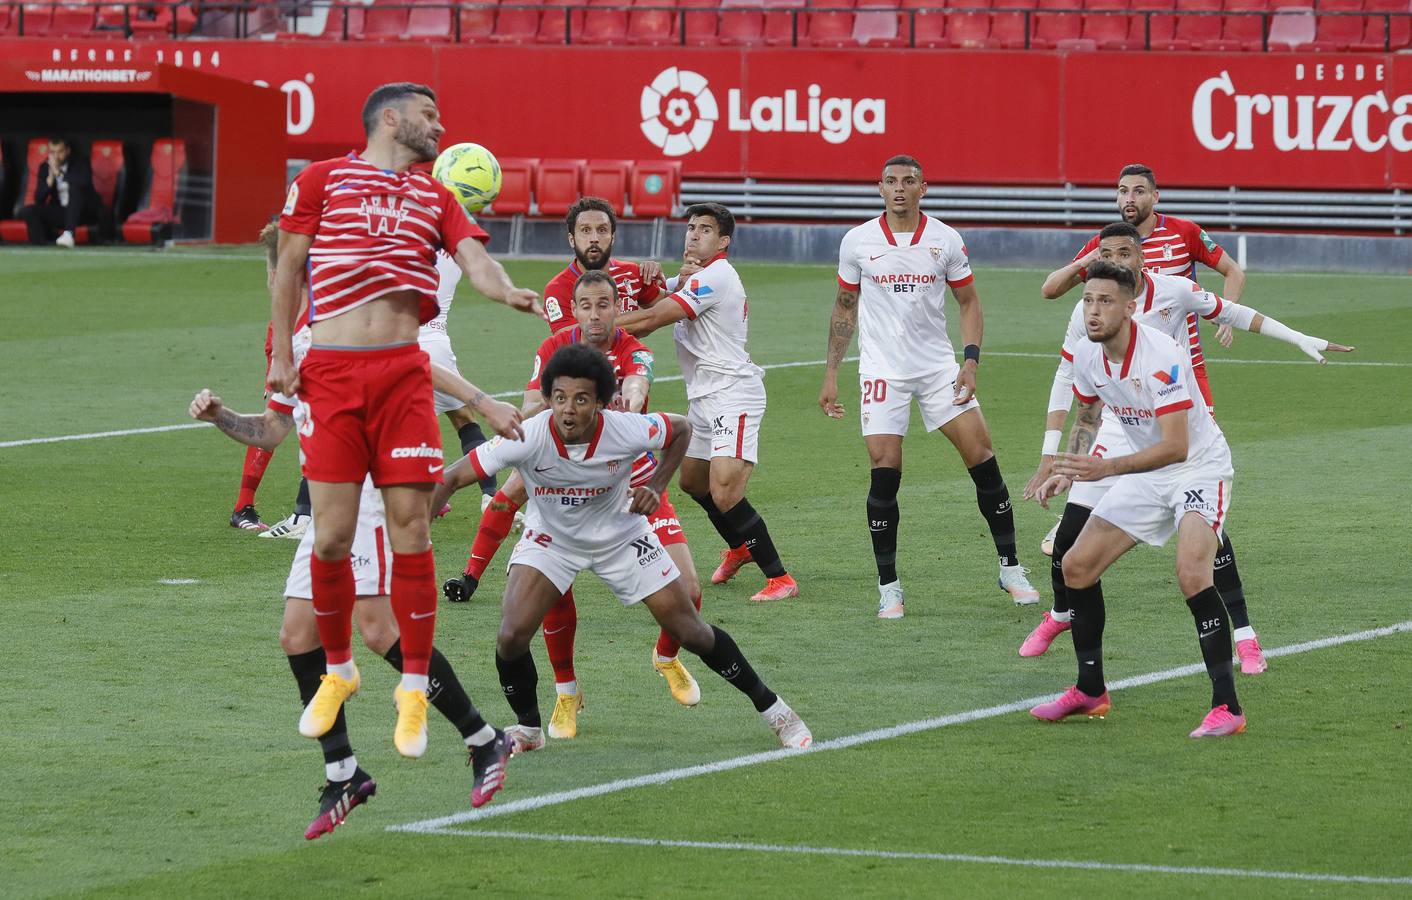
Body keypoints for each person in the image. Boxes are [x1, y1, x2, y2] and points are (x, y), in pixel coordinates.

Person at [268, 81, 542, 759]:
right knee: (328, 534)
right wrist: (280, 353)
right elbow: (288, 266)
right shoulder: (324, 180)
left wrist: (502, 289)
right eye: (428, 115)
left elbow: (474, 256)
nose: (439, 126)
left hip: (399, 373)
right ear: (390, 118)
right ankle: (339, 673)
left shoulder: (435, 195)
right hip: (331, 373)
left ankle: (414, 688)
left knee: (413, 527)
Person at [187, 351, 524, 836]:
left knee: (377, 629)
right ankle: (343, 772)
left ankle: (482, 737)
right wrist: (220, 416)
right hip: (329, 507)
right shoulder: (296, 345)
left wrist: (483, 403)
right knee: (297, 636)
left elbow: (417, 360)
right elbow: (271, 429)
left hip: (369, 497)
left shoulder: (348, 318)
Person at [1028, 262, 1350, 737]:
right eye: (1088, 301)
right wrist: (1069, 467)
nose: (1093, 311)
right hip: (1146, 469)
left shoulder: (1161, 353)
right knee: (1075, 566)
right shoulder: (1085, 354)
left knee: (1192, 572)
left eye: (1105, 302)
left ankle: (1228, 707)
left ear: (1130, 308)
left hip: (1198, 467)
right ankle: (1090, 691)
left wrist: (1106, 469)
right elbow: (1089, 415)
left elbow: (1176, 446)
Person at [466, 343, 812, 750]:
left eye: (581, 399)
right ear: (547, 400)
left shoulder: (625, 428)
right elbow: (455, 476)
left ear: (601, 403)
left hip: (621, 535)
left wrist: (658, 483)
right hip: (553, 540)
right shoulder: (528, 435)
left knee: (691, 631)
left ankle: (776, 710)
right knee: (510, 636)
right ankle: (528, 729)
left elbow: (681, 428)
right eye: (559, 398)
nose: (568, 409)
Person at [443, 270, 703, 745]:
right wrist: (540, 434)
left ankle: (666, 656)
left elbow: (637, 391)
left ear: (616, 306)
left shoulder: (634, 349)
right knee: (520, 505)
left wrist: (622, 405)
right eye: (587, 305)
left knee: (689, 590)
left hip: (630, 477)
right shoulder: (555, 349)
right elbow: (530, 403)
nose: (596, 314)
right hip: (562, 460)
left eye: (605, 305)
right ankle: (566, 689)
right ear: (574, 307)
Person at [819, 155, 1040, 618]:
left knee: (982, 458)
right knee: (885, 468)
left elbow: (968, 301)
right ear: (879, 187)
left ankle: (1011, 567)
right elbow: (844, 308)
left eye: (909, 181)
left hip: (938, 368)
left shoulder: (945, 239)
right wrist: (832, 374)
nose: (900, 188)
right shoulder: (858, 241)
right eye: (891, 181)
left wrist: (971, 361)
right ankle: (890, 587)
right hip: (881, 371)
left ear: (924, 188)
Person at [441, 196, 665, 578]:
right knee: (514, 488)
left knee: (667, 542)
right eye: (585, 231)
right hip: (564, 418)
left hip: (618, 428)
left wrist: (673, 276)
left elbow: (666, 305)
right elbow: (583, 338)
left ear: (613, 234)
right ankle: (470, 576)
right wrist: (645, 317)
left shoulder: (631, 276)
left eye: (602, 230)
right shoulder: (558, 289)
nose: (594, 238)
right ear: (570, 238)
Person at [1037, 163, 1248, 556]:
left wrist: (1228, 314)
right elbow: (1050, 289)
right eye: (1122, 192)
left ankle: (1206, 544)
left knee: (1193, 465)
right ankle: (1084, 514)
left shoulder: (1184, 233)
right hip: (1126, 380)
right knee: (1118, 449)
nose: (1128, 199)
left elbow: (1232, 271)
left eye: (1137, 191)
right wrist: (1089, 260)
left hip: (1182, 375)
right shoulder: (1110, 245)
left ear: (1155, 196)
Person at [617, 203, 799, 603]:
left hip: (734, 393)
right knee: (693, 481)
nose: (694, 235)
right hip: (703, 396)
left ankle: (780, 578)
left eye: (705, 230)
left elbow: (649, 321)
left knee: (725, 492)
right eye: (691, 228)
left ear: (723, 241)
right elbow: (646, 303)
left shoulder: (716, 277)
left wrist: (593, 323)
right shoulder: (689, 277)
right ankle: (739, 547)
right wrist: (647, 274)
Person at [21, 138, 98, 247]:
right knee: (29, 211)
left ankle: (69, 234)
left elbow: (84, 182)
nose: (56, 156)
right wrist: (50, 179)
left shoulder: (81, 163)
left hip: (84, 212)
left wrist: (59, 174)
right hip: (62, 213)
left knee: (75, 188)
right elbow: (39, 199)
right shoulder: (45, 167)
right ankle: (39, 246)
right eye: (53, 152)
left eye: (60, 152)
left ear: (67, 151)